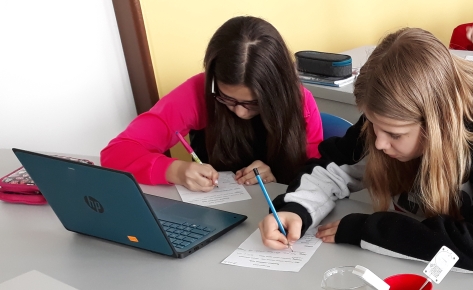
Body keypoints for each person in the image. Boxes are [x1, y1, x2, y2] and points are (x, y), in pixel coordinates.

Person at [257, 28, 473, 273]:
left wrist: (368, 229)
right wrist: (296, 209)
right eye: (373, 126)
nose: (379, 143)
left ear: (438, 123)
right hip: (418, 261)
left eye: (395, 135)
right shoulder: (389, 118)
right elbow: (331, 168)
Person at [102, 16, 323, 191]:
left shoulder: (299, 102)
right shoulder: (198, 91)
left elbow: (319, 177)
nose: (240, 112)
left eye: (254, 103)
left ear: (277, 91)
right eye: (228, 99)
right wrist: (175, 170)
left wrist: (276, 177)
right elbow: (115, 153)